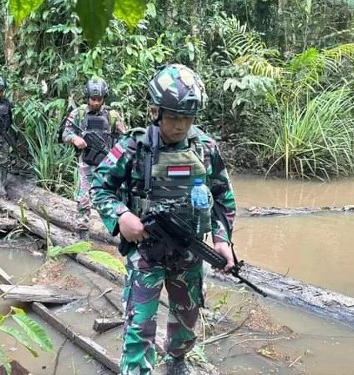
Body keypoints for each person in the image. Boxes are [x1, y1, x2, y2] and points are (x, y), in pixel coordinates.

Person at [91, 64, 236, 375]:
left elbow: (223, 197)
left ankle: (176, 360)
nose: (180, 125)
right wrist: (123, 215)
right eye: (173, 117)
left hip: (189, 253)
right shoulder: (134, 147)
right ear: (155, 112)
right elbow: (100, 187)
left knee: (186, 325)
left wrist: (223, 241)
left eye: (187, 118)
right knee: (139, 327)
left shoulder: (205, 148)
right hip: (146, 254)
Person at [61, 77, 126, 241]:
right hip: (87, 164)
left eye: (99, 99)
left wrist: (117, 157)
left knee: (114, 198)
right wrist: (75, 139)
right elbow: (65, 133)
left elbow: (124, 140)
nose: (96, 102)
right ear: (87, 97)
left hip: (108, 164)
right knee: (83, 199)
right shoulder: (78, 114)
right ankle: (83, 233)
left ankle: (117, 231)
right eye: (93, 99)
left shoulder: (112, 116)